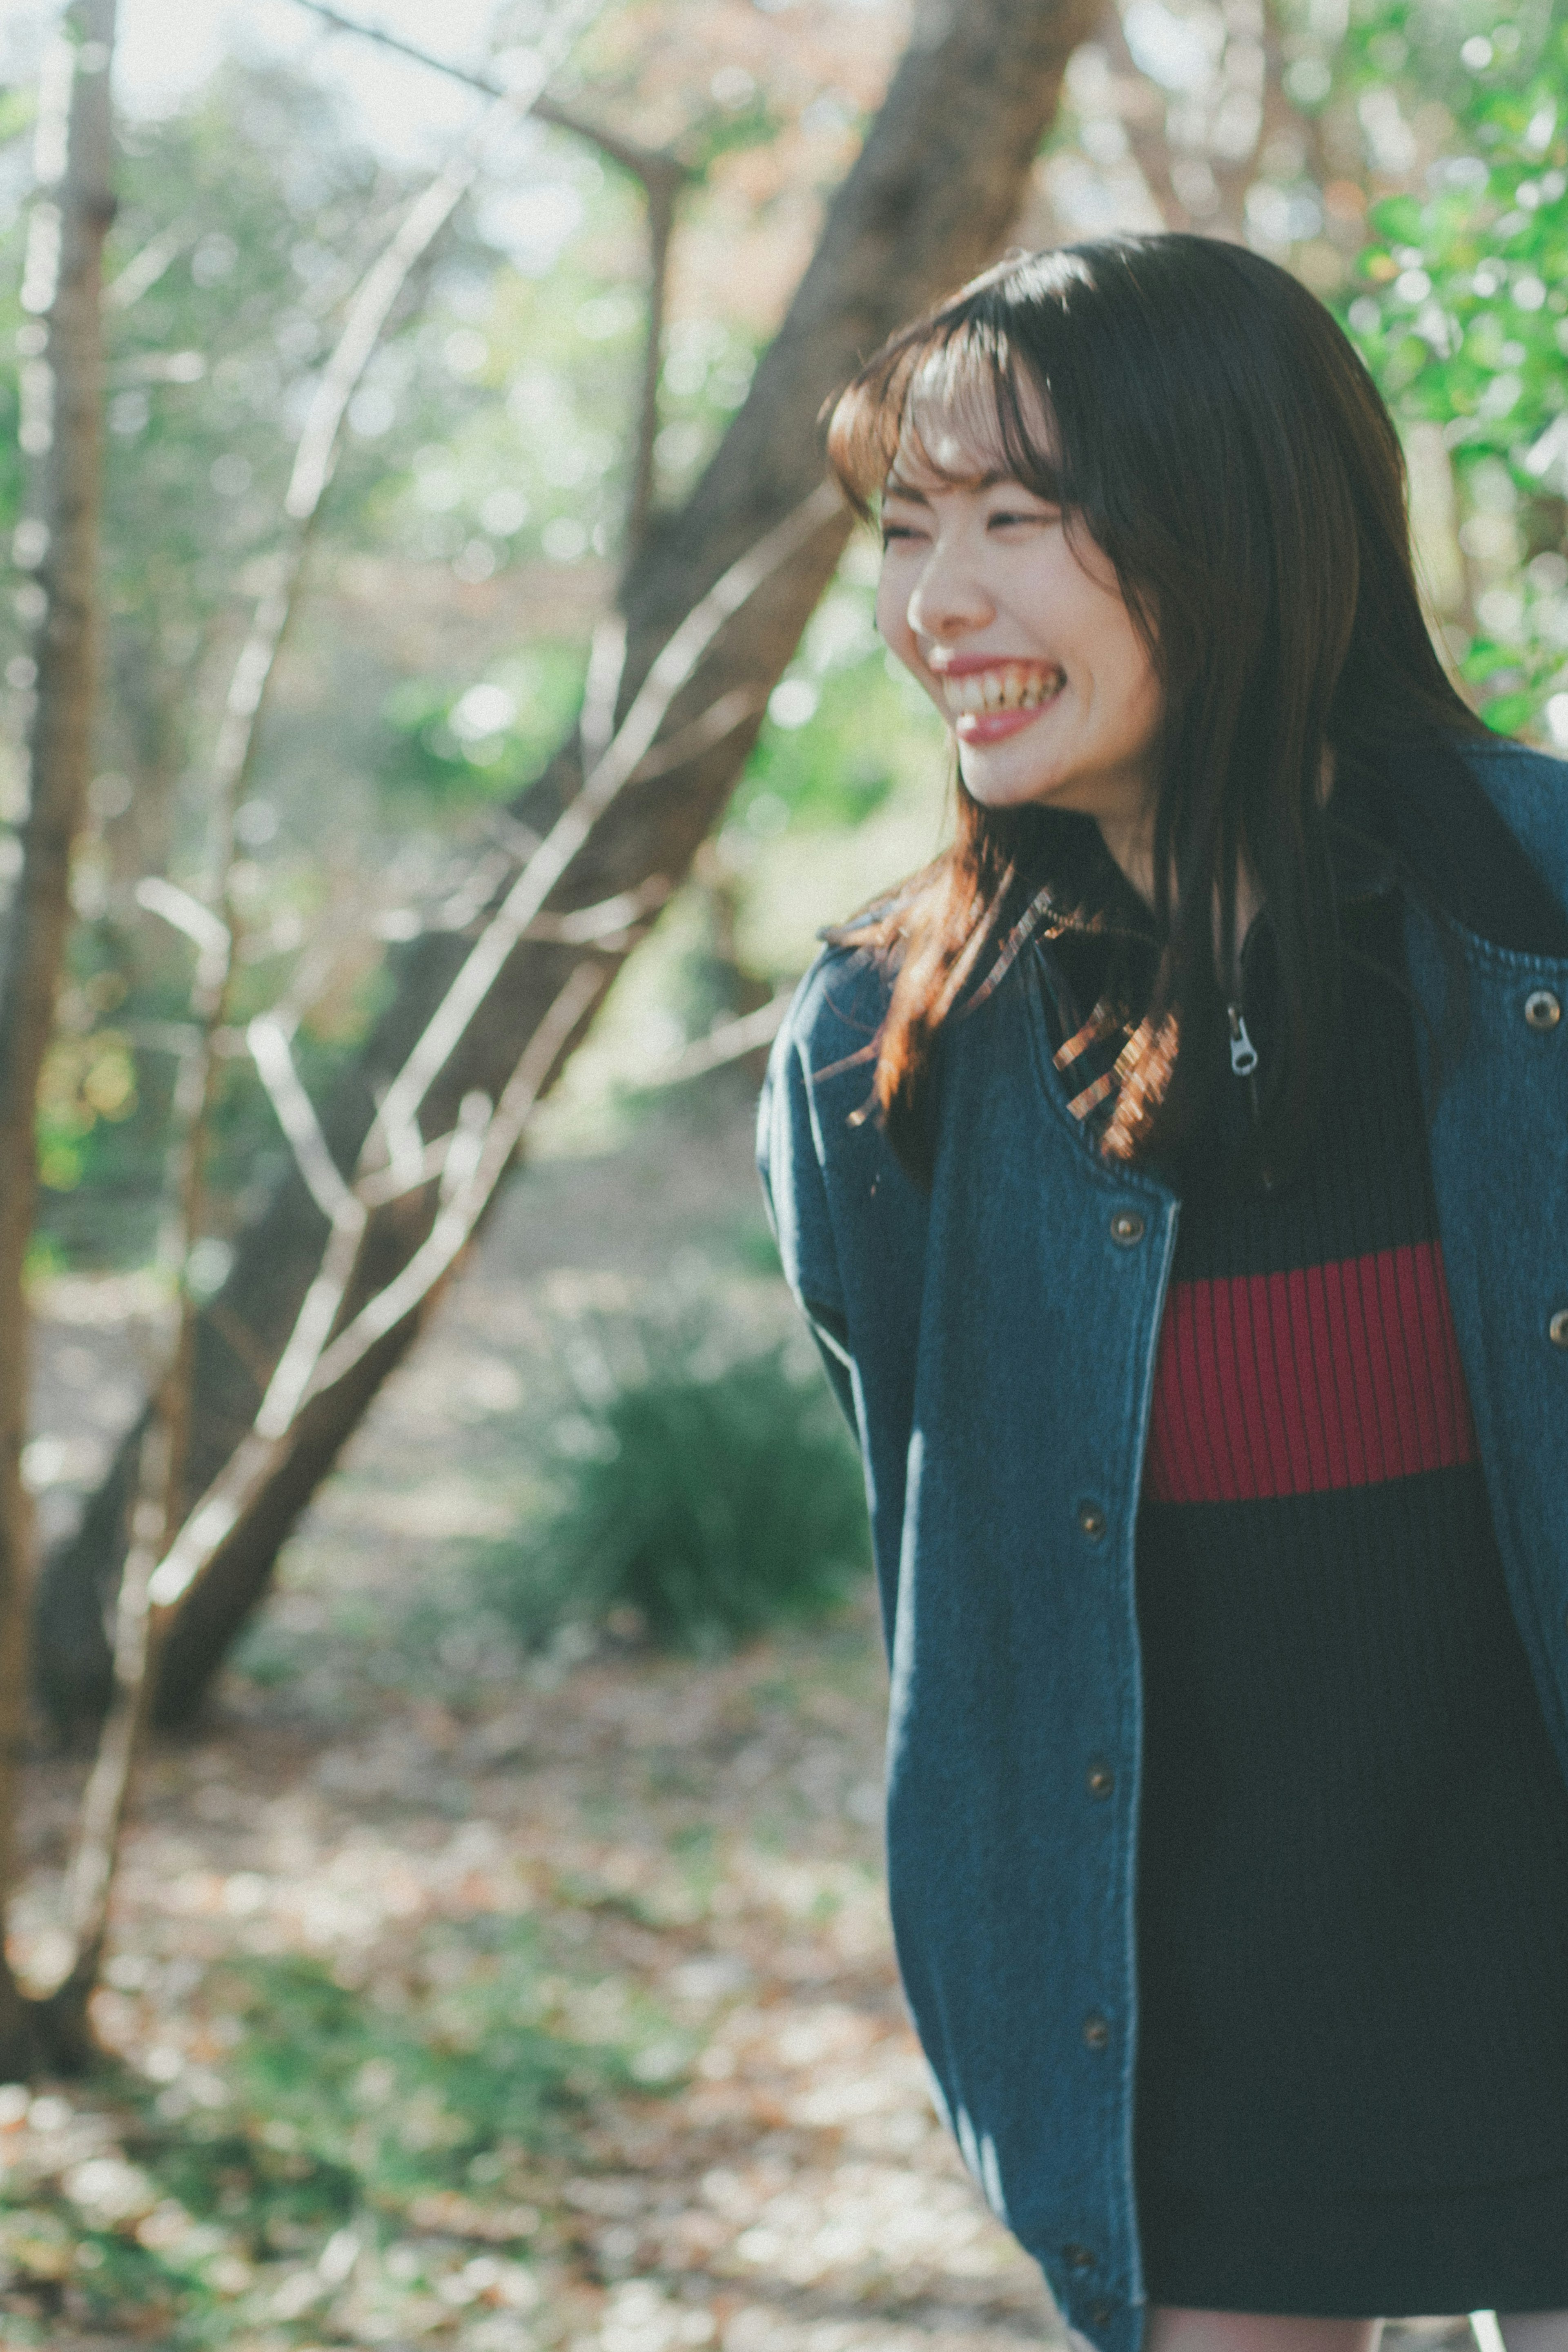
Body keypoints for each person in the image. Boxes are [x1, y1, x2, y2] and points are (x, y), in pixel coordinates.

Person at [755, 235, 1568, 2352]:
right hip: (1202, 2043)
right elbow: (973, 1603)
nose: (938, 603)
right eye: (910, 527)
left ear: (1246, 520)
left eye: (1018, 519)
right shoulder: (883, 1060)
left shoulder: (1550, 924)